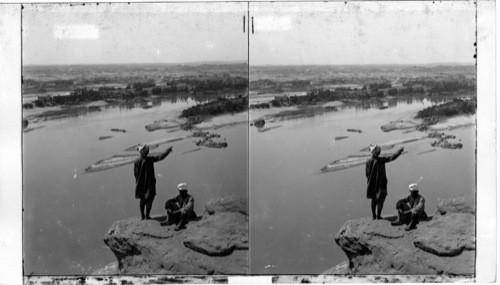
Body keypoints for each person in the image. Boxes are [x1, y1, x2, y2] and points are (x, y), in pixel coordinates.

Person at [134, 144, 173, 220]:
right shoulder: (149, 159)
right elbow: (160, 157)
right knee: (150, 199)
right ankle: (147, 216)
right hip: (150, 184)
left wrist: (138, 181)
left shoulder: (136, 161)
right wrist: (168, 150)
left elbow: (135, 173)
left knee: (142, 200)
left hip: (140, 184)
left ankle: (142, 216)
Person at [365, 144, 404, 220]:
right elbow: (392, 157)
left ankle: (374, 216)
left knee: (374, 200)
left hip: (372, 185)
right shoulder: (380, 160)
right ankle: (378, 216)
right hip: (381, 184)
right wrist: (399, 151)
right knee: (381, 200)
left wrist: (370, 182)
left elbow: (367, 174)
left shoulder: (368, 161)